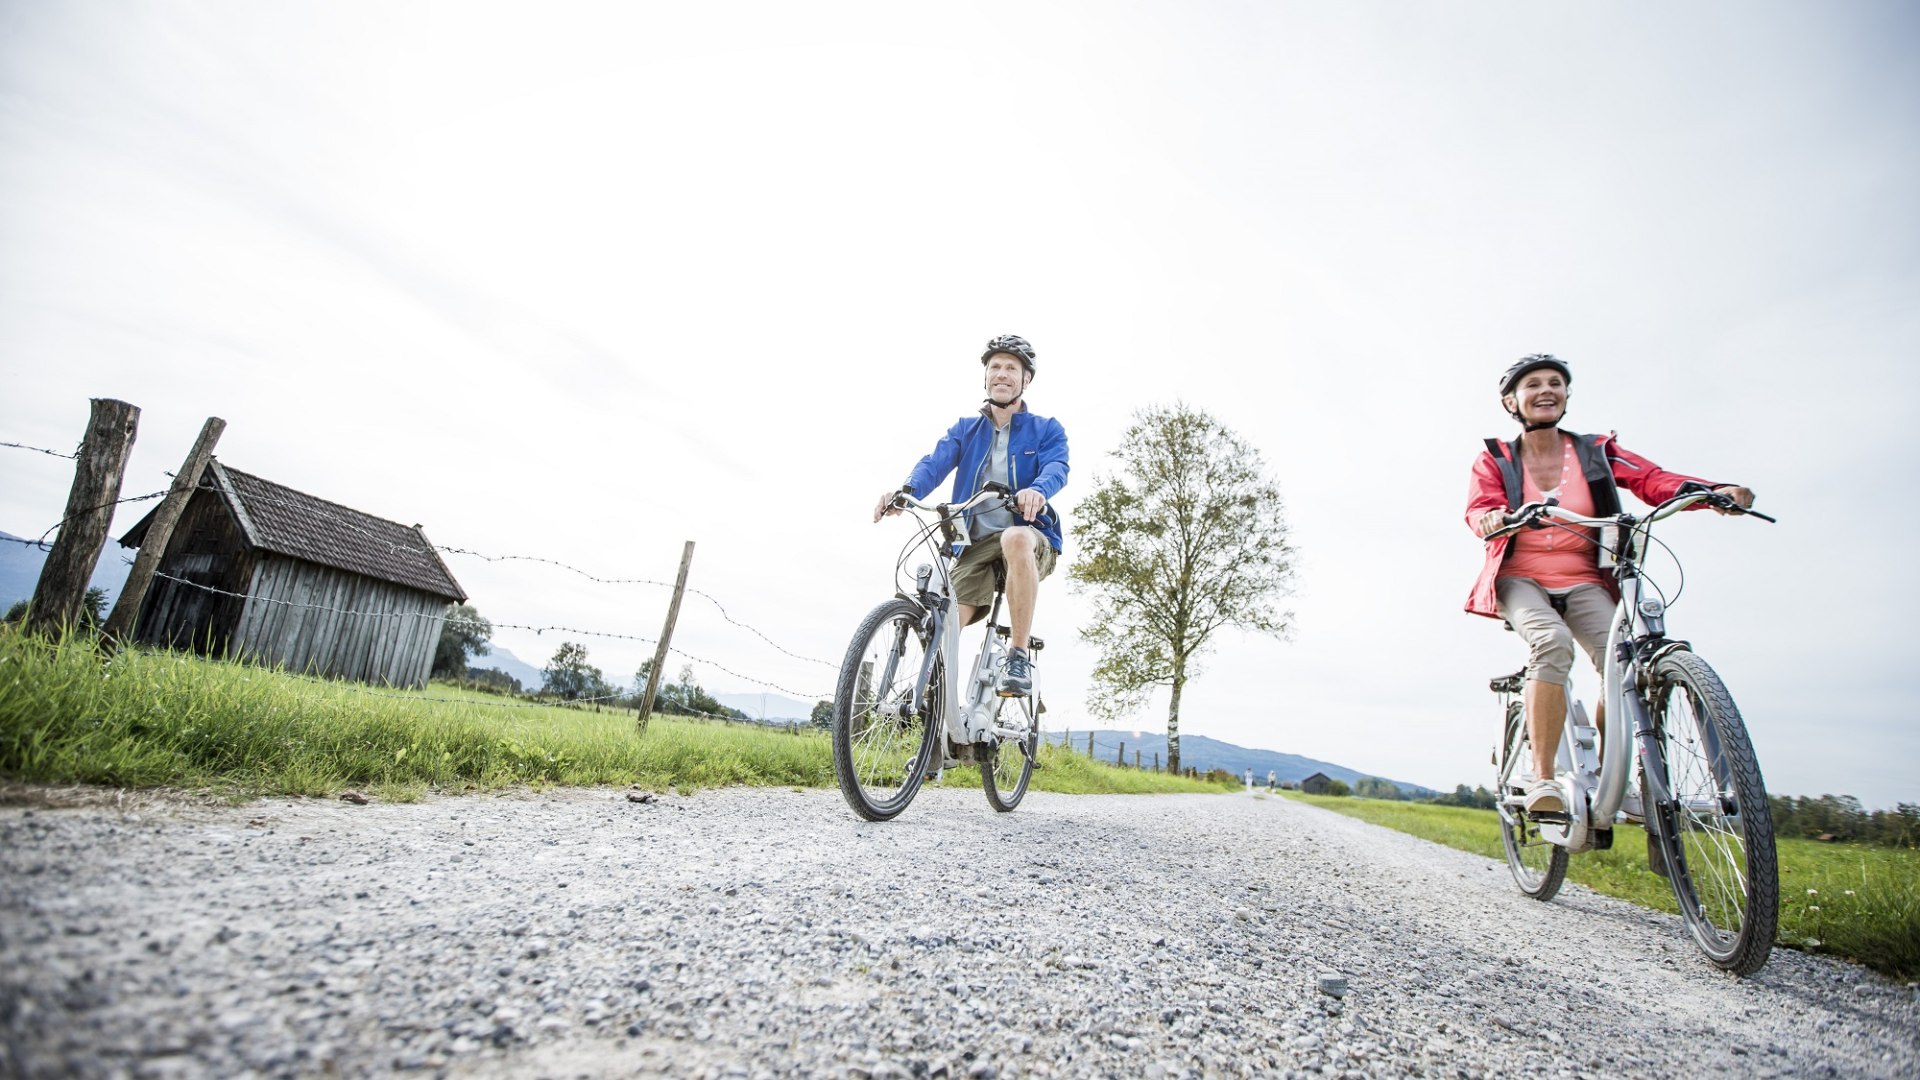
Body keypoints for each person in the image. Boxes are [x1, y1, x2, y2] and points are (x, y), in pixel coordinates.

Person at [1464, 354, 1754, 816]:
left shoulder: (1594, 450)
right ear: (1510, 401)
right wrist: (1495, 518)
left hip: (1585, 579)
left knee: (1622, 664)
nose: (1547, 390)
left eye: (1556, 383)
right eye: (1533, 384)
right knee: (1552, 643)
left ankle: (1618, 779)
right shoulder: (1497, 457)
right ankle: (1543, 781)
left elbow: (1653, 480)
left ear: (1565, 395)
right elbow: (1480, 509)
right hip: (1521, 578)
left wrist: (1711, 491)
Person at [874, 334, 1069, 697]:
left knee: (1015, 537)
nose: (1002, 373)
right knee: (944, 627)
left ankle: (1017, 656)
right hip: (973, 545)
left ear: (1026, 380)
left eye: (1012, 368)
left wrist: (1037, 491)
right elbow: (935, 462)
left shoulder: (1046, 429)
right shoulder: (966, 429)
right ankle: (935, 712)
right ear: (985, 377)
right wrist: (907, 492)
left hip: (1029, 537)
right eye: (995, 366)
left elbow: (1057, 466)